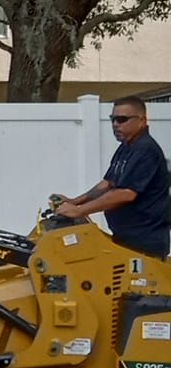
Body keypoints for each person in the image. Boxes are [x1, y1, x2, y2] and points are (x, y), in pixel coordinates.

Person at [55, 94, 170, 258]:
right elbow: (107, 184)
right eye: (113, 119)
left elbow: (125, 194)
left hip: (143, 244)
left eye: (122, 119)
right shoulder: (127, 147)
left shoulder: (146, 150)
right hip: (125, 238)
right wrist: (74, 202)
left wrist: (78, 212)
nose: (115, 124)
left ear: (142, 120)